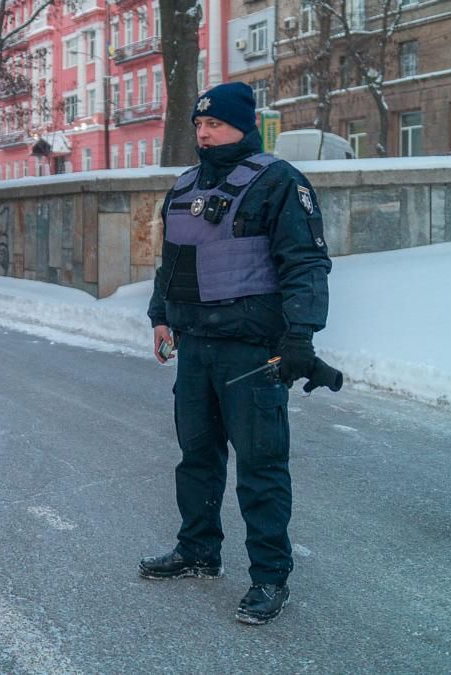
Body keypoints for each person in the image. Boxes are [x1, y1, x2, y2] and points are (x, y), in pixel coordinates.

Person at [140, 81, 332, 626]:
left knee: (261, 468)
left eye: (215, 125)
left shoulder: (279, 182)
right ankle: (198, 551)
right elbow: (171, 265)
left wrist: (300, 337)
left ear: (242, 126)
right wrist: (159, 316)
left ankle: (270, 578)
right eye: (199, 125)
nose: (204, 133)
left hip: (251, 352)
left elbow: (306, 265)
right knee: (197, 459)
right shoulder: (183, 186)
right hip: (195, 348)